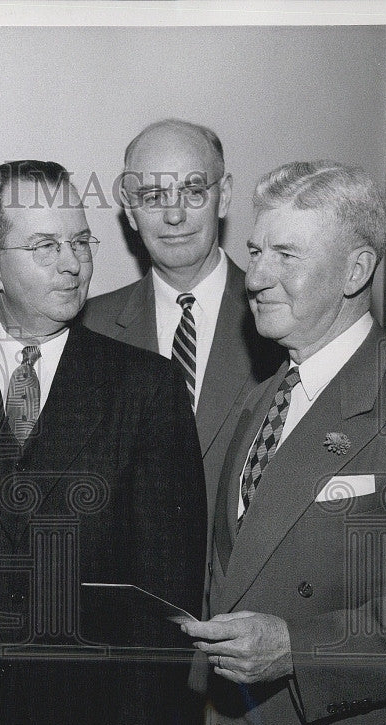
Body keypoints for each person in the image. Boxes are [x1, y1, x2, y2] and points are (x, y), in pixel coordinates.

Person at [0, 160, 206, 725]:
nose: (73, 263)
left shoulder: (147, 388)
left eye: (79, 241)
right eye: (45, 245)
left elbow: (166, 595)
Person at [182, 161, 386, 725]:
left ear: (356, 270)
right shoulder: (263, 398)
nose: (256, 276)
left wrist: (300, 649)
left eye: (287, 255)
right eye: (254, 250)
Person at [81, 119, 285, 515]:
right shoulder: (90, 327)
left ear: (223, 196)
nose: (174, 216)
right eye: (154, 196)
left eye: (192, 192)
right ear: (130, 210)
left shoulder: (282, 322)